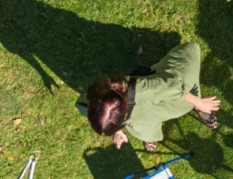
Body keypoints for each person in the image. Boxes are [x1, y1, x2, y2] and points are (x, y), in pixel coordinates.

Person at [79, 42, 221, 153]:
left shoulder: (143, 96)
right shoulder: (109, 89)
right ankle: (151, 135)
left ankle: (197, 106)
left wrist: (199, 102)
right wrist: (118, 131)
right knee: (144, 122)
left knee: (145, 127)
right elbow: (102, 111)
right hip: (164, 79)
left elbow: (174, 86)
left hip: (182, 79)